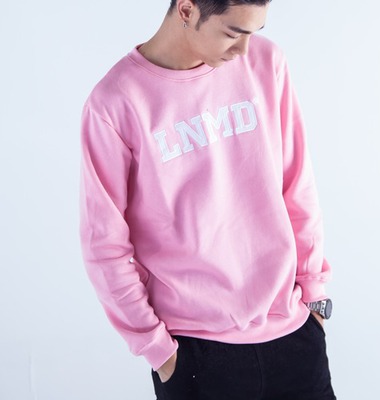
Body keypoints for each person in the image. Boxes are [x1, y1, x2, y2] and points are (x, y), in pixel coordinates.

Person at [79, 0, 336, 399]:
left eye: (254, 33)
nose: (244, 50)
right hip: (195, 353)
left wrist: (315, 296)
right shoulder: (115, 103)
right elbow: (104, 243)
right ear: (187, 10)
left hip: (293, 334)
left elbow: (297, 186)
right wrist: (157, 349)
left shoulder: (267, 63)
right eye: (233, 33)